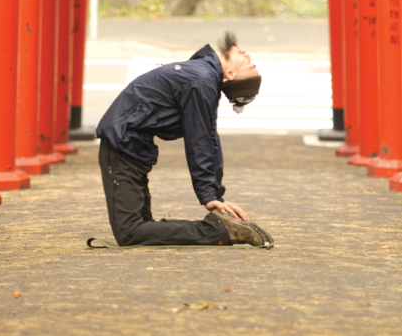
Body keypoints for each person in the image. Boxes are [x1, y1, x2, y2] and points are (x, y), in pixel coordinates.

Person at [95, 32, 272, 247]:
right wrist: (212, 195)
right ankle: (219, 228)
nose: (248, 55)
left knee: (131, 232)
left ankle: (218, 230)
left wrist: (213, 196)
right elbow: (205, 138)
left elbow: (203, 139)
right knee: (139, 228)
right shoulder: (202, 75)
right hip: (129, 146)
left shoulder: (201, 80)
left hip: (123, 146)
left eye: (249, 65)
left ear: (231, 73)